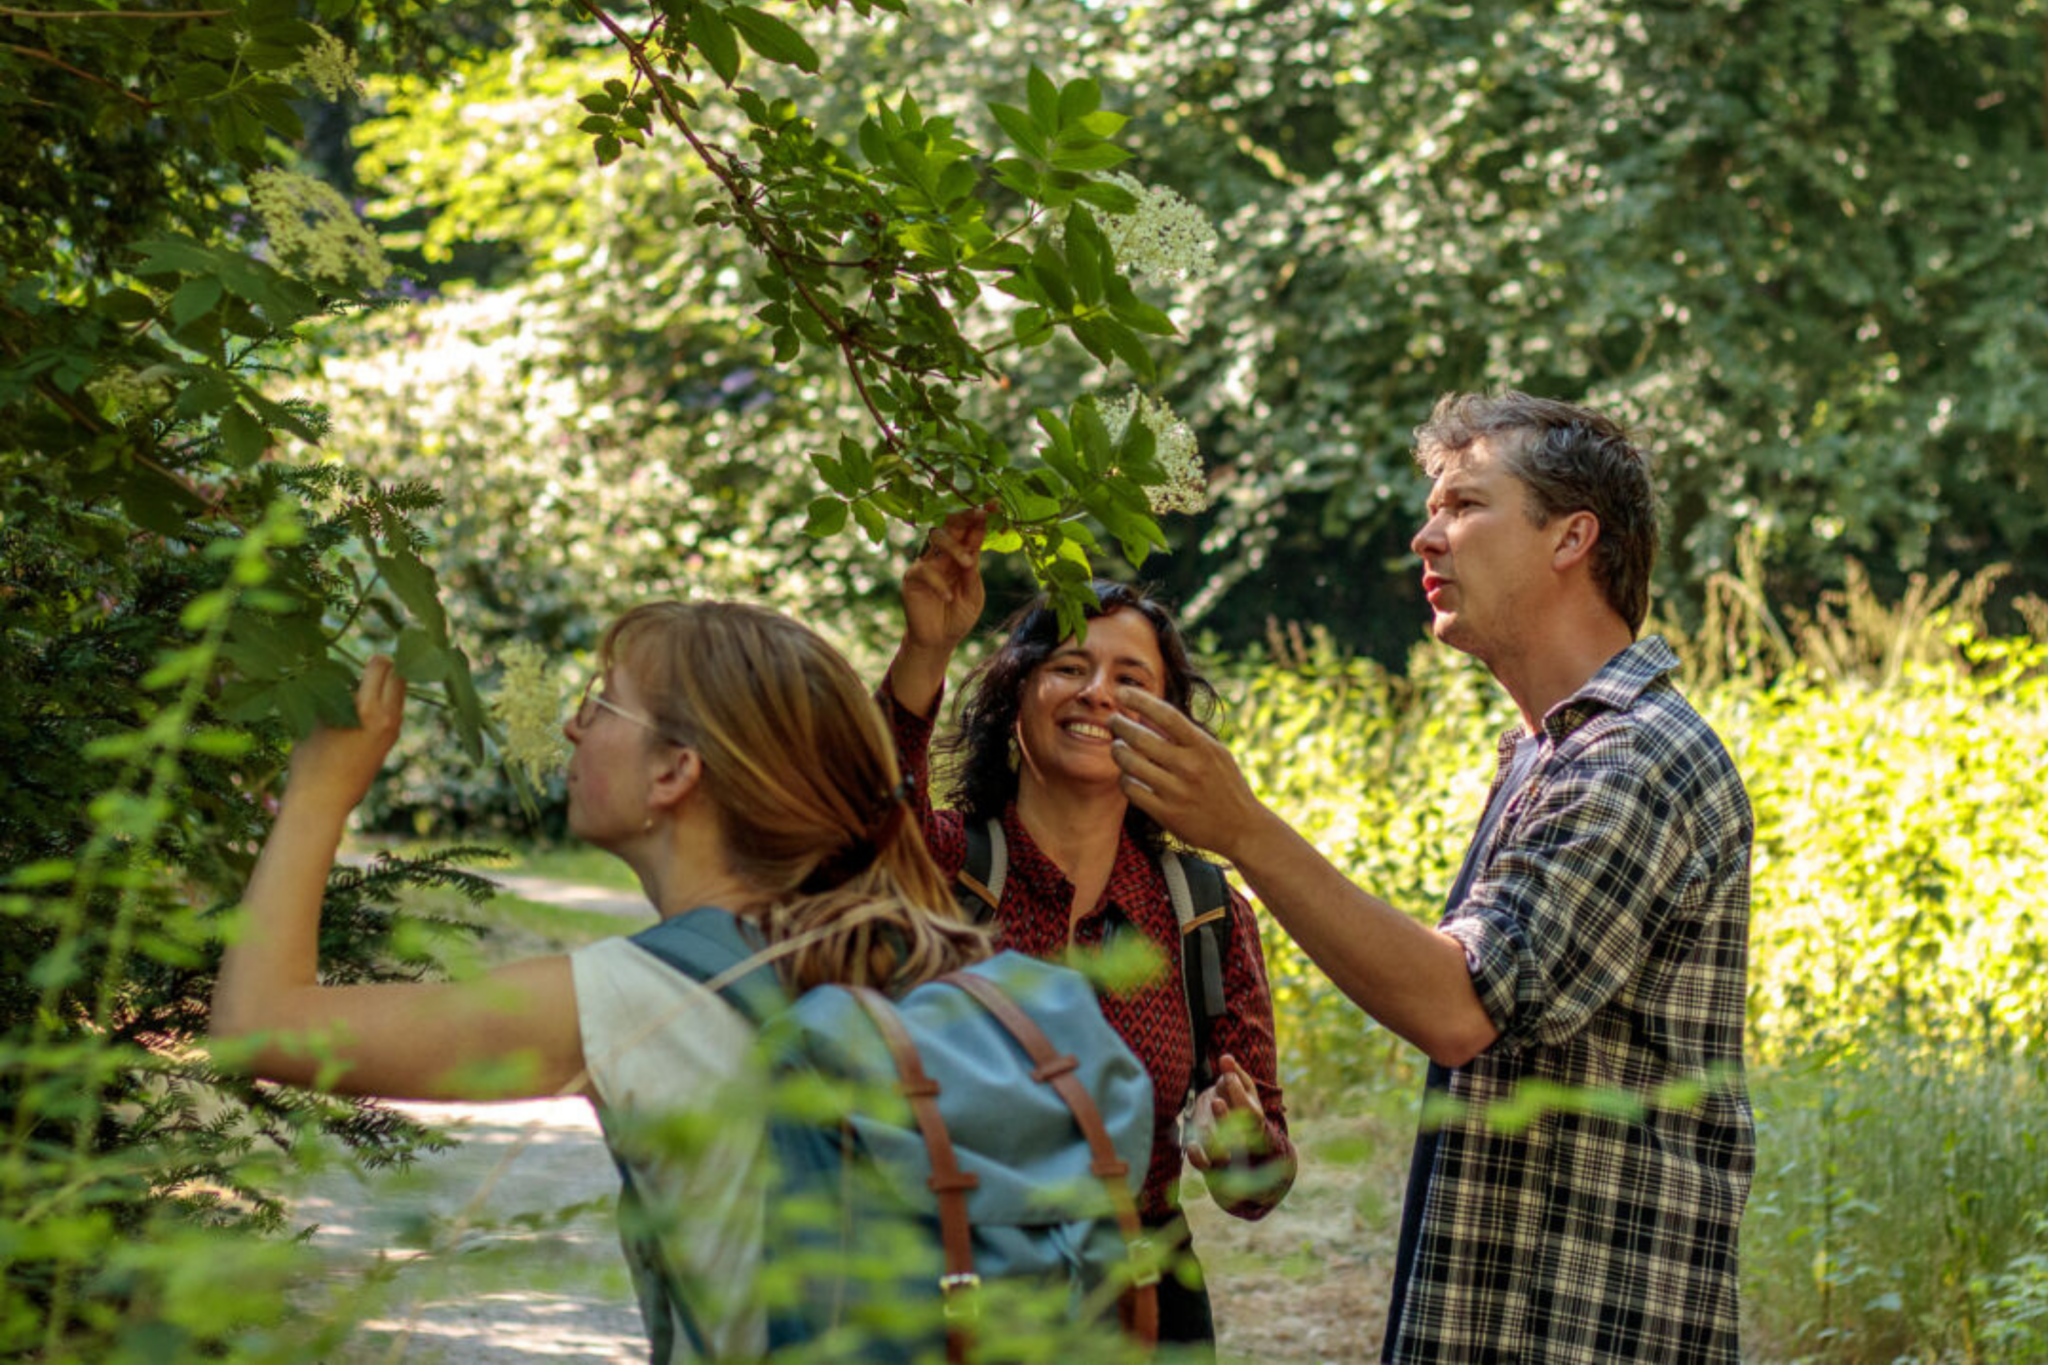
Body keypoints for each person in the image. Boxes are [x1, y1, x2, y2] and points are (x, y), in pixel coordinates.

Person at [1106, 392, 1755, 1363]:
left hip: (1587, 1329)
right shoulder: (1545, 754)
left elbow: (1455, 1005)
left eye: (1462, 506)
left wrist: (1238, 826)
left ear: (1570, 538)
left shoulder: (1631, 759)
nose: (1424, 537)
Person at [211, 600, 990, 1362]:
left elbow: (256, 1022)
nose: (574, 726)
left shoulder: (644, 995)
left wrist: (318, 790)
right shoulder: (926, 957)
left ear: (675, 771)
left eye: (603, 704)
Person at [880, 511, 1299, 1352]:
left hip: (1143, 1305)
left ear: (1167, 722)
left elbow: (1258, 1187)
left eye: (1130, 678)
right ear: (1015, 700)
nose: (1098, 692)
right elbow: (862, 807)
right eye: (1069, 665)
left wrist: (1242, 1147)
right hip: (954, 1286)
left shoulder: (1203, 909)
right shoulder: (945, 864)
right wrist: (925, 648)